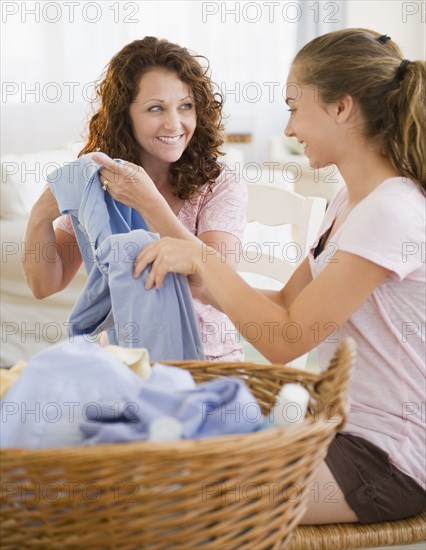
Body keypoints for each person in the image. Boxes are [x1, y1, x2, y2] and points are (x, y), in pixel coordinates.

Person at [134, 29, 426, 524]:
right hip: (336, 430)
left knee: (172, 500)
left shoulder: (391, 211)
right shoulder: (350, 201)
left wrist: (204, 260)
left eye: (294, 107)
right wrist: (202, 287)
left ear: (341, 108)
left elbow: (286, 338)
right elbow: (288, 301)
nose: (289, 128)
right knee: (150, 461)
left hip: (389, 461)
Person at [22, 37, 247, 362]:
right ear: (124, 114)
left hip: (207, 366)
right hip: (125, 364)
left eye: (185, 106)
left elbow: (208, 282)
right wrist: (40, 213)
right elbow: (45, 284)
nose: (174, 123)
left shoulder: (220, 182)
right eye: (156, 108)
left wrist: (148, 203)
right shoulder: (99, 182)